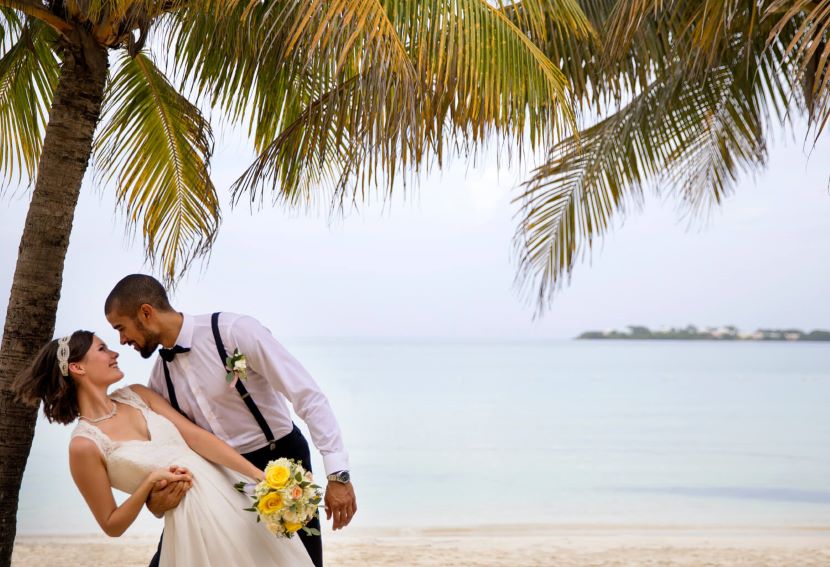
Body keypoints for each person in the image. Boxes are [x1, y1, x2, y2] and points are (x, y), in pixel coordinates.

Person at [104, 274, 356, 567]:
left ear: (146, 313)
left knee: (300, 562)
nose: (122, 340)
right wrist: (155, 502)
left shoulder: (234, 331)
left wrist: (338, 475)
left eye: (121, 328)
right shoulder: (160, 377)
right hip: (217, 478)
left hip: (281, 465)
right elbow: (168, 448)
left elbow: (307, 396)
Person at [12, 331, 315, 566]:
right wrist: (147, 487)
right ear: (77, 367)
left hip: (233, 497)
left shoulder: (138, 395)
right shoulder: (84, 445)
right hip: (192, 526)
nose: (115, 352)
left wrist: (257, 477)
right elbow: (111, 524)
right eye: (102, 349)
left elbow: (198, 438)